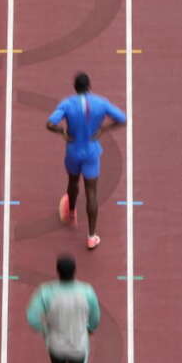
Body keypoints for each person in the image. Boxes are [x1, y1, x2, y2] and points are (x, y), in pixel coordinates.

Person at [46, 72, 126, 249]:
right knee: (91, 192)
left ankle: (72, 211)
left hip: (73, 151)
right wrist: (104, 130)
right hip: (91, 153)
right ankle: (91, 236)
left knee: (72, 182)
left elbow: (50, 124)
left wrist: (62, 133)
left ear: (75, 88)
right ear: (90, 86)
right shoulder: (101, 103)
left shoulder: (67, 104)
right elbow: (122, 119)